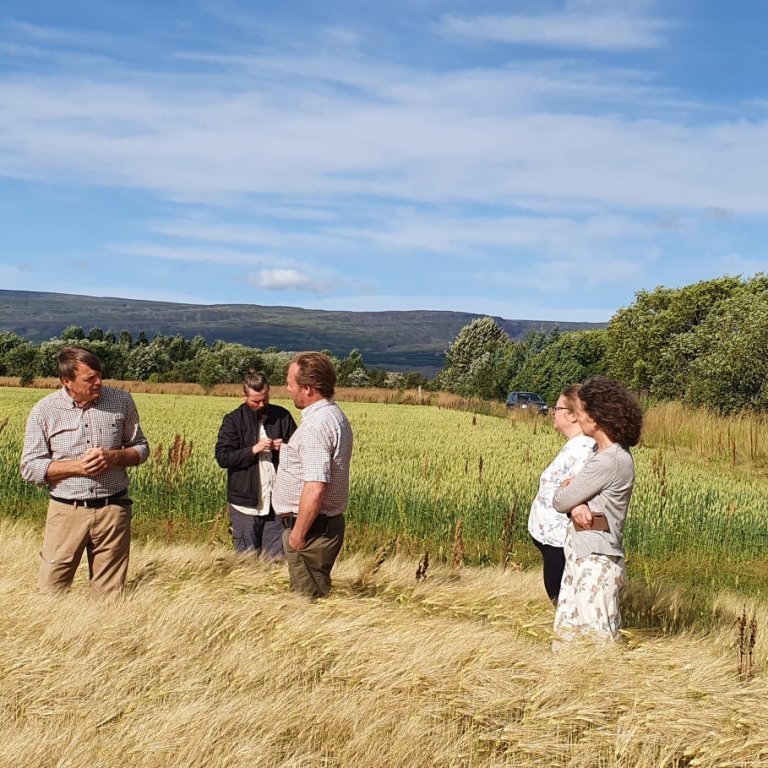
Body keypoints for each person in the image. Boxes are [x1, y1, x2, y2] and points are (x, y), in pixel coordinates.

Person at [20, 346, 149, 594]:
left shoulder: (121, 400)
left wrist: (115, 457)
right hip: (67, 512)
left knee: (110, 596)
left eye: (99, 375)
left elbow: (141, 449)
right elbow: (30, 467)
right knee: (51, 592)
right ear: (67, 381)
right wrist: (76, 467)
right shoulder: (44, 411)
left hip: (114, 510)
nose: (98, 382)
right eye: (90, 378)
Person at [551, 376, 643, 645]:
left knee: (597, 640)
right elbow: (569, 499)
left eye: (580, 412)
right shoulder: (598, 452)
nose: (577, 418)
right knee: (568, 636)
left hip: (596, 559)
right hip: (584, 555)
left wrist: (571, 497)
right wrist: (576, 504)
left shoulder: (609, 460)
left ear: (597, 417)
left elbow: (560, 499)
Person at [272, 352, 353, 598]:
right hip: (320, 528)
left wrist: (297, 535)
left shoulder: (316, 426)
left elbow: (315, 486)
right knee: (314, 599)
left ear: (308, 388)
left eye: (290, 384)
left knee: (307, 604)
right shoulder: (334, 416)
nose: (287, 389)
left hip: (310, 532)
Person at [214, 370, 297, 559]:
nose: (261, 405)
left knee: (275, 561)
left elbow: (301, 454)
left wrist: (284, 449)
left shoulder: (283, 416)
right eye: (255, 401)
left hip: (278, 504)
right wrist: (254, 449)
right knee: (246, 562)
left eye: (265, 400)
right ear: (244, 396)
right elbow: (223, 457)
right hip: (245, 505)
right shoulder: (233, 420)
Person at [528, 384, 595, 604]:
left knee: (561, 597)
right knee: (560, 596)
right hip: (553, 538)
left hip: (560, 540)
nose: (552, 412)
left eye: (556, 408)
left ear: (573, 415)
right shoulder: (575, 445)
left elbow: (579, 490)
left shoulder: (584, 447)